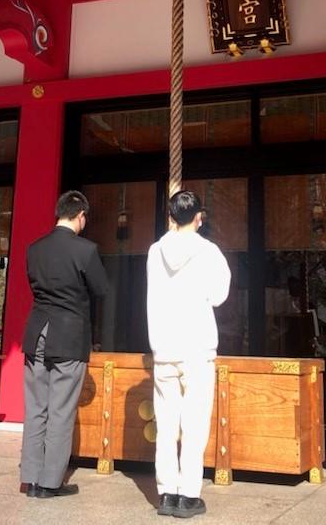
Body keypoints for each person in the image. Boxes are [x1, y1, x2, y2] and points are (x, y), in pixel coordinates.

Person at [146, 190, 231, 518]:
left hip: (164, 345)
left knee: (166, 423)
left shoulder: (155, 251)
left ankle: (166, 492)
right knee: (194, 423)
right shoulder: (209, 251)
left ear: (171, 216)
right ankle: (189, 494)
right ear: (199, 216)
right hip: (196, 346)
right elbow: (219, 295)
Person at [19, 190, 108, 498]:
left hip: (36, 333)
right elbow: (102, 288)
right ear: (80, 214)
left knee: (35, 409)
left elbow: (35, 287)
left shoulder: (35, 249)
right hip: (69, 336)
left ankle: (29, 478)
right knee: (61, 411)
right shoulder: (86, 250)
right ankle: (50, 483)